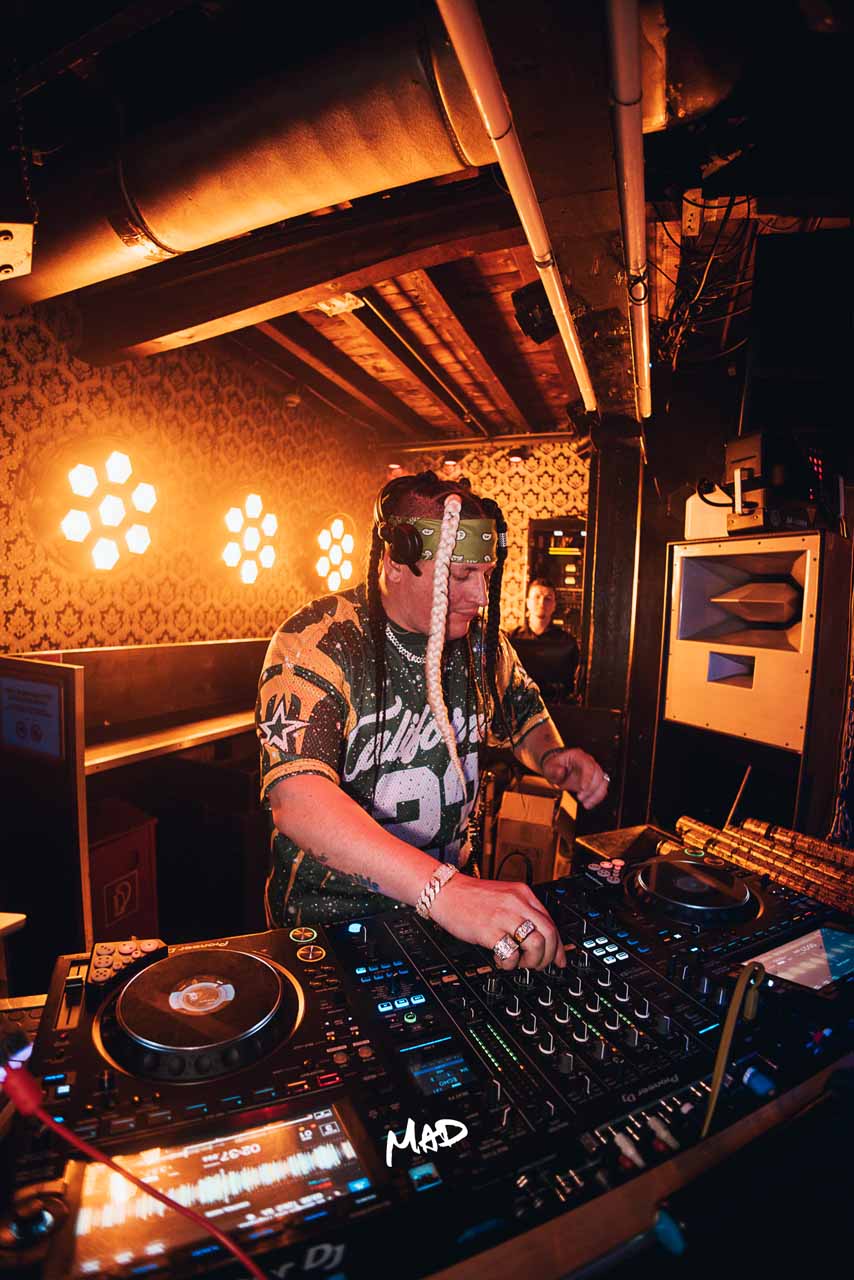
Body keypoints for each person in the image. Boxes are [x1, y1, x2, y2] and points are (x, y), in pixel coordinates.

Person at [256, 471, 608, 972]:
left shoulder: (482, 645)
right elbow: (298, 803)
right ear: (396, 562)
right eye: (460, 576)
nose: (480, 596)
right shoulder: (319, 640)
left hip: (444, 919)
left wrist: (550, 755)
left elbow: (524, 714)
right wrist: (446, 891)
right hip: (328, 931)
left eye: (485, 575)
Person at [510, 578, 579, 701]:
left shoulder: (566, 642)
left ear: (554, 605)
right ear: (527, 602)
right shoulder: (511, 639)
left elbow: (570, 685)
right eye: (537, 597)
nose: (542, 602)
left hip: (554, 704)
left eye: (548, 598)